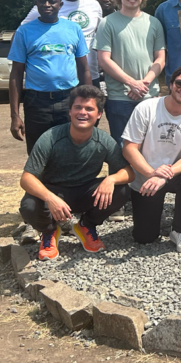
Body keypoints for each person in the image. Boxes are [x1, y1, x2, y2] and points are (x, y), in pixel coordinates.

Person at [18, 85, 135, 260]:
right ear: (70, 111)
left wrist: (111, 179)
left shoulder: (103, 140)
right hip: (53, 191)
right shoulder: (50, 137)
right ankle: (49, 232)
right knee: (29, 205)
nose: (83, 112)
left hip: (83, 192)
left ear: (99, 114)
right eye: (78, 107)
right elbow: (26, 178)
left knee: (123, 189)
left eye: (89, 109)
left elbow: (129, 173)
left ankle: (86, 226)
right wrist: (50, 198)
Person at [121, 66, 181, 252]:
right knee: (144, 237)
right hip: (147, 175)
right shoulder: (146, 108)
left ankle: (180, 230)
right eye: (179, 83)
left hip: (175, 173)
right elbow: (129, 148)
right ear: (171, 84)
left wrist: (163, 175)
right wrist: (151, 172)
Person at [9, 0, 90, 155]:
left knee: (72, 152)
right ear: (36, 4)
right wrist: (14, 116)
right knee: (39, 153)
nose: (47, 5)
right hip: (37, 103)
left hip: (69, 100)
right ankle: (42, 183)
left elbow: (84, 69)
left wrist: (88, 101)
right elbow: (16, 74)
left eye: (52, 1)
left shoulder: (73, 29)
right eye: (42, 1)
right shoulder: (24, 31)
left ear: (60, 4)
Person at [94, 0, 166, 144]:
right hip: (119, 97)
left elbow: (161, 58)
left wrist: (143, 84)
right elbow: (104, 60)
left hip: (149, 96)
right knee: (121, 149)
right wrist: (132, 83)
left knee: (151, 148)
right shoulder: (107, 23)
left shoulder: (154, 22)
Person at [22, 0, 104, 86]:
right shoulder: (47, 7)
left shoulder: (94, 5)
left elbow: (100, 37)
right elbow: (19, 36)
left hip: (90, 77)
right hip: (62, 83)